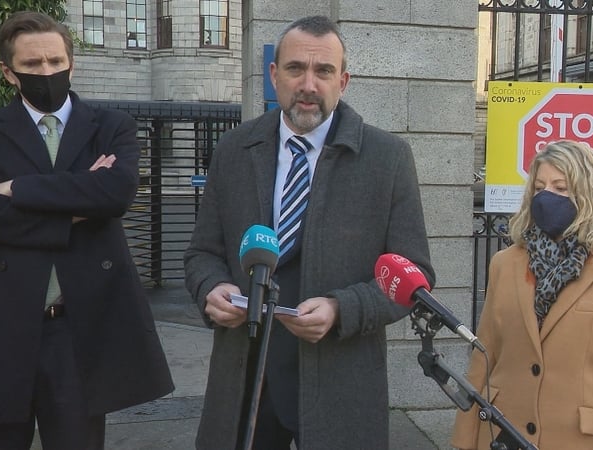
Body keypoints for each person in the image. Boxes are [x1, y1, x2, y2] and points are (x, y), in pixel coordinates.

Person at [0, 11, 174, 449]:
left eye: (56, 62)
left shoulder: (112, 127)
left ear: (71, 63)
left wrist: (14, 189)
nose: (48, 73)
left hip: (77, 332)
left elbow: (113, 194)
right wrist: (77, 201)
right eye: (33, 65)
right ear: (8, 72)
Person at [183, 15, 434, 450]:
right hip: (246, 377)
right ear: (274, 75)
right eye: (296, 69)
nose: (309, 85)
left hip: (340, 376)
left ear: (344, 80)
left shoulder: (387, 158)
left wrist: (343, 308)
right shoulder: (234, 151)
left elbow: (415, 278)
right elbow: (202, 253)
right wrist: (212, 287)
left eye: (323, 71)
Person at [451, 140, 593, 450]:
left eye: (561, 188)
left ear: (589, 195)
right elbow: (483, 360)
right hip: (500, 437)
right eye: (539, 187)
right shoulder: (505, 265)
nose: (547, 196)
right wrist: (463, 441)